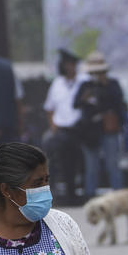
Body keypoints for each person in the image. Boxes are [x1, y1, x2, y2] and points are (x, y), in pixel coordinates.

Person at [73, 51, 126, 199]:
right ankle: (90, 195)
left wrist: (105, 85)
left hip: (109, 129)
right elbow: (76, 104)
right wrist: (86, 97)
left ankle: (118, 196)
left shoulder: (112, 84)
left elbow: (119, 103)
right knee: (91, 166)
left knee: (112, 165)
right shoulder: (85, 85)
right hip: (90, 131)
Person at [43, 48, 86, 205]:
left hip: (79, 129)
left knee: (77, 163)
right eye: (67, 65)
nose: (70, 68)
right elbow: (49, 107)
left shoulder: (84, 81)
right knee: (59, 161)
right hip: (61, 130)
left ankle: (77, 193)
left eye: (73, 64)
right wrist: (53, 125)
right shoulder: (57, 83)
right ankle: (60, 195)